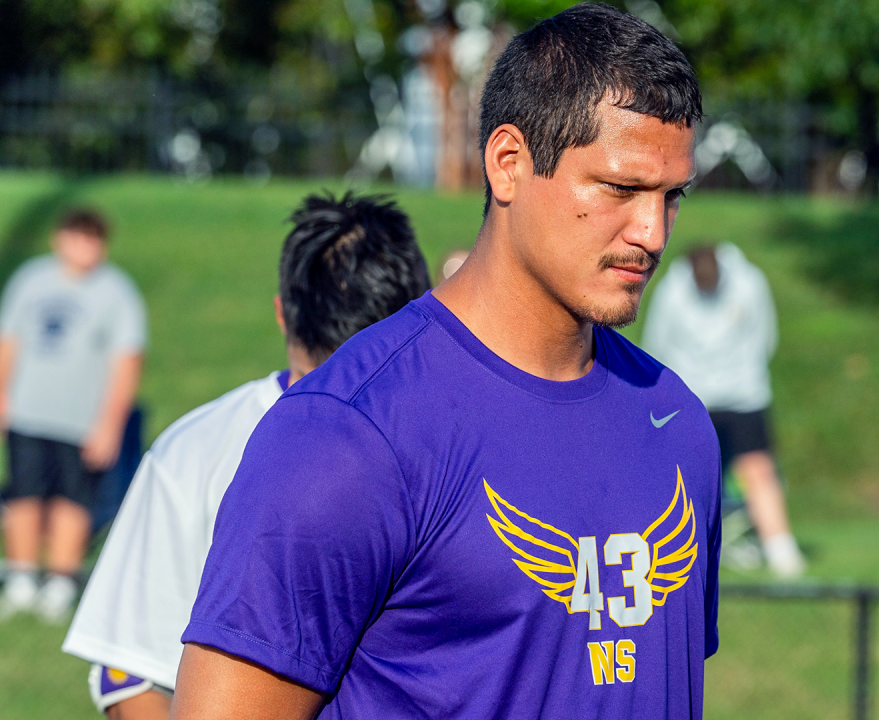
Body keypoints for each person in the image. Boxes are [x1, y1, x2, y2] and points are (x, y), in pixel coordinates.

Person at [172, 5, 719, 720]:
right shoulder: (348, 435)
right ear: (508, 164)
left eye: (670, 196)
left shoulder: (677, 423)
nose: (651, 231)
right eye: (619, 188)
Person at [60, 191, 430, 720]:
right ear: (420, 307)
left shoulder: (193, 450)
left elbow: (134, 674)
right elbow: (133, 672)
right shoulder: (197, 449)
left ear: (283, 313)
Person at [0, 208, 146, 622]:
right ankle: (21, 576)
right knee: (23, 494)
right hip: (28, 413)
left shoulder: (116, 292)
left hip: (81, 420)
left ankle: (62, 580)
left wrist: (110, 424)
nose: (85, 247)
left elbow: (126, 361)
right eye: (78, 237)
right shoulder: (31, 280)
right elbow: (9, 340)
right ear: (59, 239)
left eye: (94, 239)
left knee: (72, 500)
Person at [643, 242, 803, 577]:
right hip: (691, 399)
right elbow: (657, 346)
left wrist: (742, 376)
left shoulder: (750, 283)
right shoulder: (671, 292)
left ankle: (781, 554)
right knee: (683, 479)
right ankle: (683, 555)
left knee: (758, 471)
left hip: (745, 395)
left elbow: (765, 336)